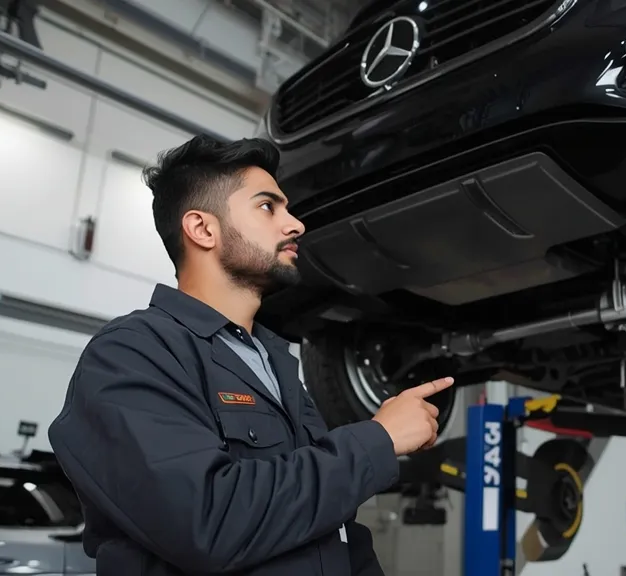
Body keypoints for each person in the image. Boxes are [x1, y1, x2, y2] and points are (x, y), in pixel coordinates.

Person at [47, 134, 453, 575]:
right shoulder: (132, 353)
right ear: (202, 229)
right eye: (267, 207)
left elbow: (332, 529)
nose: (295, 224)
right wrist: (378, 439)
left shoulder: (273, 363)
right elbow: (208, 522)